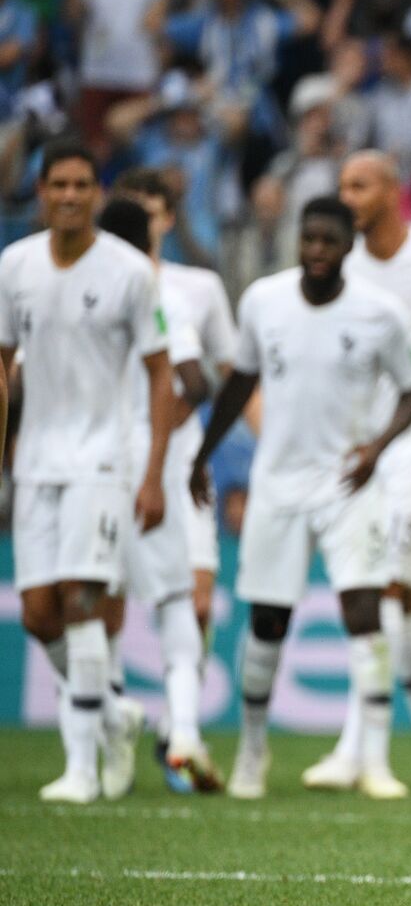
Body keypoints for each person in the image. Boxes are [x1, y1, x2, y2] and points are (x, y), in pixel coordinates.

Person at [190, 196, 411, 801]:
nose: (317, 250)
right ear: (299, 242)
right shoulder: (263, 301)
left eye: (329, 240)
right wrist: (200, 455)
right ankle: (252, 749)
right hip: (278, 484)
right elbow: (240, 382)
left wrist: (376, 447)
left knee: (364, 613)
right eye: (309, 239)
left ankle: (373, 759)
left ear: (349, 246)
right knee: (268, 622)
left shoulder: (381, 313)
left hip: (350, 482)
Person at [0, 138, 173, 804]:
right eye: (58, 185)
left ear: (96, 193)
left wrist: (152, 471)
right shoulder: (14, 266)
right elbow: (1, 365)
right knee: (39, 614)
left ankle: (80, 768)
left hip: (105, 459)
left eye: (81, 184)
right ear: (39, 192)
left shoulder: (129, 271)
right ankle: (112, 713)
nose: (69, 196)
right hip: (37, 461)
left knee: (80, 600)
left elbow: (161, 374)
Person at [302, 150, 411, 798]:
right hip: (362, 448)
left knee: (387, 583)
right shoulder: (340, 268)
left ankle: (356, 747)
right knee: (400, 597)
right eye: (341, 183)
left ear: (392, 192)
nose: (347, 193)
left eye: (358, 184)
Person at [95, 191, 225, 794]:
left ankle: (132, 723)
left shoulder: (136, 295)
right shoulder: (162, 294)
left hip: (107, 466)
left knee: (93, 601)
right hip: (150, 466)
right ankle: (179, 731)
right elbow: (194, 380)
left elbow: (197, 382)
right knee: (172, 602)